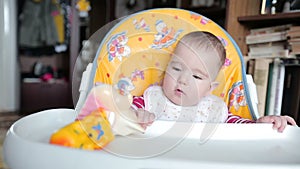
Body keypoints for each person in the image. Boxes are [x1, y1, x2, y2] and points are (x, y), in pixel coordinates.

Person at [131, 31, 297, 133]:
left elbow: (240, 128)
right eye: (176, 69)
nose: (182, 80)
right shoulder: (151, 99)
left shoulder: (213, 109)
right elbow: (123, 108)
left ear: (209, 89)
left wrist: (259, 124)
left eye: (196, 77)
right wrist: (135, 114)